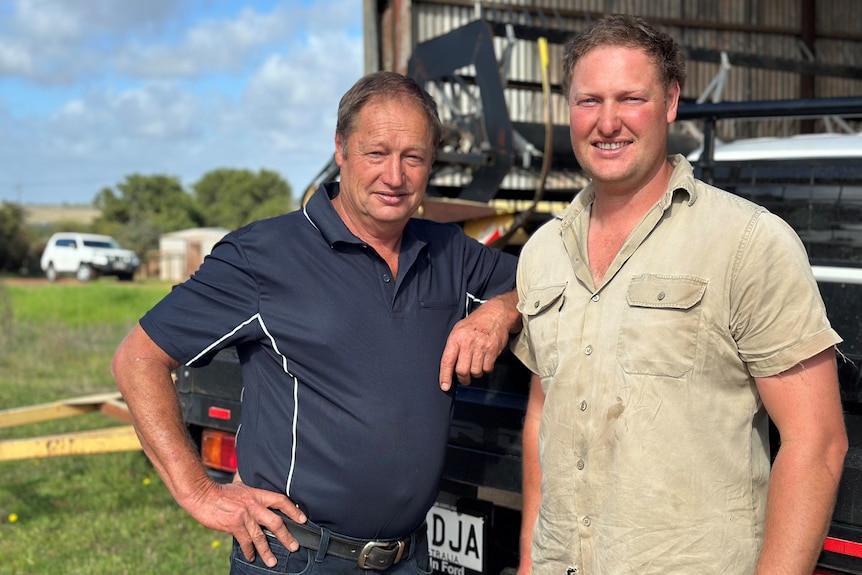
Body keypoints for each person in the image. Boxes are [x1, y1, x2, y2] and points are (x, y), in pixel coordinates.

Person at [112, 70, 521, 574]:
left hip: (410, 558)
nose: (394, 177)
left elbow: (546, 282)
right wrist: (198, 490)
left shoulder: (450, 252)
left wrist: (501, 309)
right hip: (298, 556)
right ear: (341, 150)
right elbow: (138, 357)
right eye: (376, 153)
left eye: (412, 157)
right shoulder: (264, 255)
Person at [511, 14, 848, 575]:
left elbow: (817, 445)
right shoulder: (542, 251)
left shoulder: (747, 242)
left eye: (630, 98)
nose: (607, 122)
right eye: (589, 100)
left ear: (670, 102)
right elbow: (541, 418)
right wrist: (528, 562)